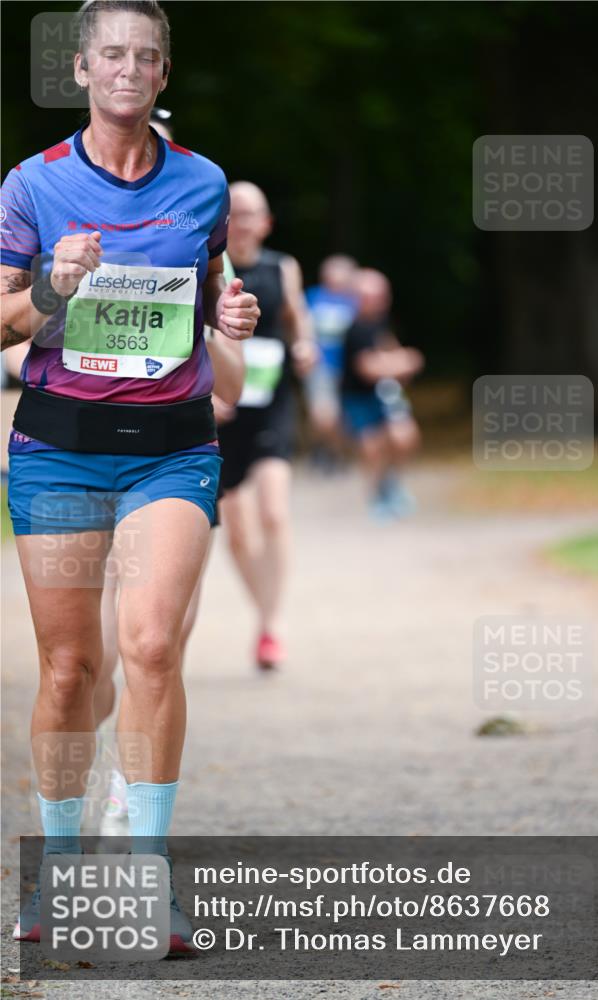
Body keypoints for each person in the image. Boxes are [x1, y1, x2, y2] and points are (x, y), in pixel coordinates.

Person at [1, 0, 259, 953]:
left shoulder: (203, 184)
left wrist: (228, 323)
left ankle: (144, 876)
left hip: (172, 446)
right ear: (80, 69)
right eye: (111, 52)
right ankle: (61, 876)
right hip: (61, 444)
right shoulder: (31, 184)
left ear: (161, 76)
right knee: (73, 669)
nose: (127, 69)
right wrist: (52, 287)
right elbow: (1, 324)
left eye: (145, 56)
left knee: (151, 647)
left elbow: (203, 300)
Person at [216, 181, 317, 669]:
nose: (242, 223)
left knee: (274, 512)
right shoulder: (209, 266)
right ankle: (263, 612)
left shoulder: (283, 267)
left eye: (251, 214)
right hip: (223, 409)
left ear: (267, 222)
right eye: (232, 214)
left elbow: (299, 318)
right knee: (237, 530)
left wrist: (305, 346)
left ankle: (270, 626)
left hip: (272, 402)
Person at [340, 268, 423, 521]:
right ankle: (376, 494)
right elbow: (368, 369)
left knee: (405, 436)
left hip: (385, 394)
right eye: (370, 296)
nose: (377, 301)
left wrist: (395, 362)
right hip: (358, 397)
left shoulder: (382, 323)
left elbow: (405, 360)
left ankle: (392, 485)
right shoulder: (356, 329)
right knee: (372, 446)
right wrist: (399, 362)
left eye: (380, 295)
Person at [304, 254, 358, 471]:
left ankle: (336, 452)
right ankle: (325, 448)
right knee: (323, 414)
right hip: (320, 366)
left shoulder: (358, 300)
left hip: (349, 368)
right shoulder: (312, 297)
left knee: (343, 416)